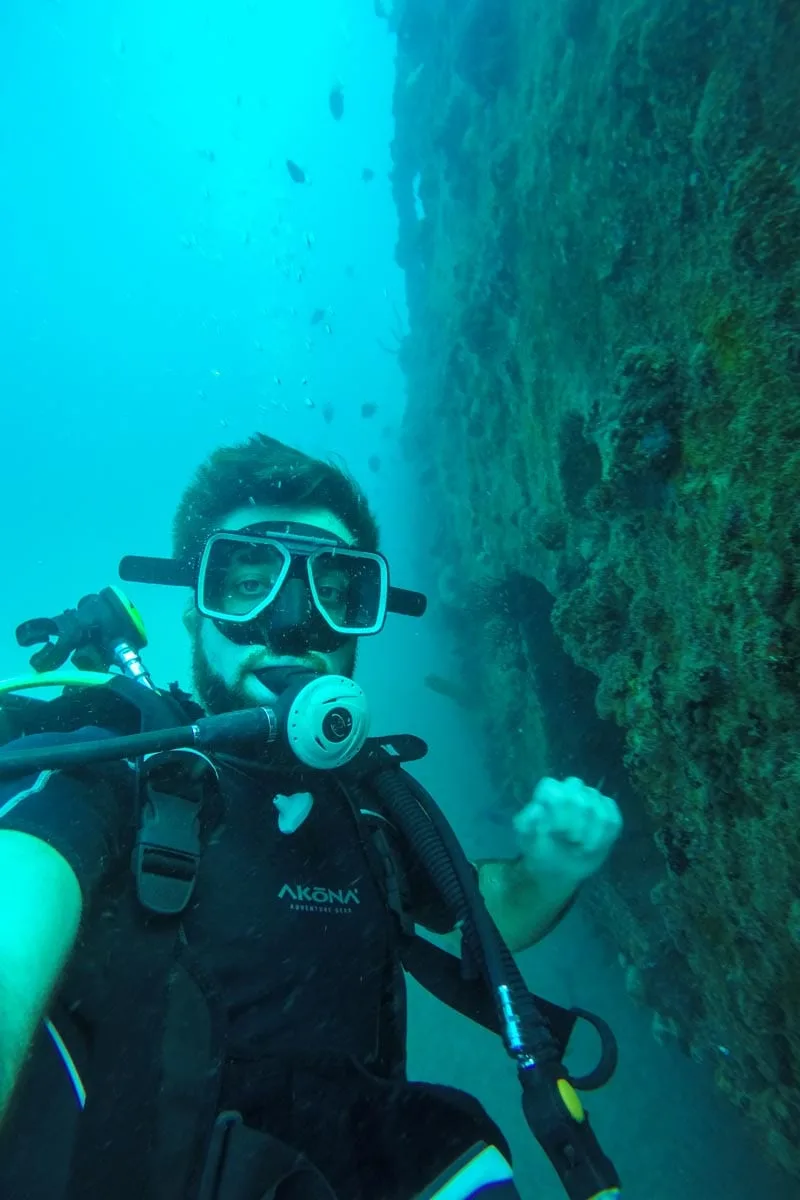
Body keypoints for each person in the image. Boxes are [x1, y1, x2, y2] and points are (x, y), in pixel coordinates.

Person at [0, 433, 623, 1200]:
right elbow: (20, 895)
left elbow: (488, 915)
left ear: (367, 614)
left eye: (337, 589)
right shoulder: (116, 773)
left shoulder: (373, 811)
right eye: (248, 582)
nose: (292, 624)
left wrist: (552, 865)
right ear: (197, 613)